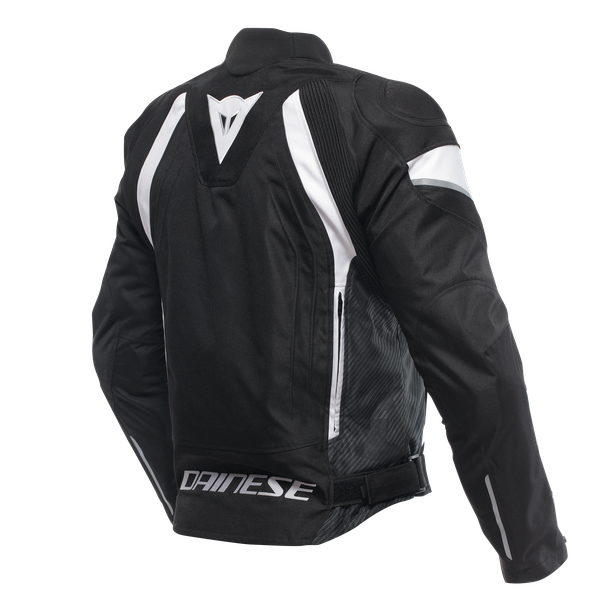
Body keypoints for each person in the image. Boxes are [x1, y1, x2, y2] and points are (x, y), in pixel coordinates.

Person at [91, 25, 568, 582]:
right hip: (355, 516)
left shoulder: (154, 129)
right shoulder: (383, 115)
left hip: (203, 524)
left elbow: (121, 353)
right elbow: (468, 343)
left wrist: (193, 498)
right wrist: (528, 550)